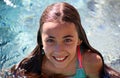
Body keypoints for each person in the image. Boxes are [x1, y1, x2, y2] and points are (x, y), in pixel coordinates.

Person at [10, 2, 120, 78]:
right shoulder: (31, 67)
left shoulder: (90, 62)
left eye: (67, 40)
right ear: (41, 42)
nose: (59, 50)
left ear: (79, 40)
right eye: (50, 40)